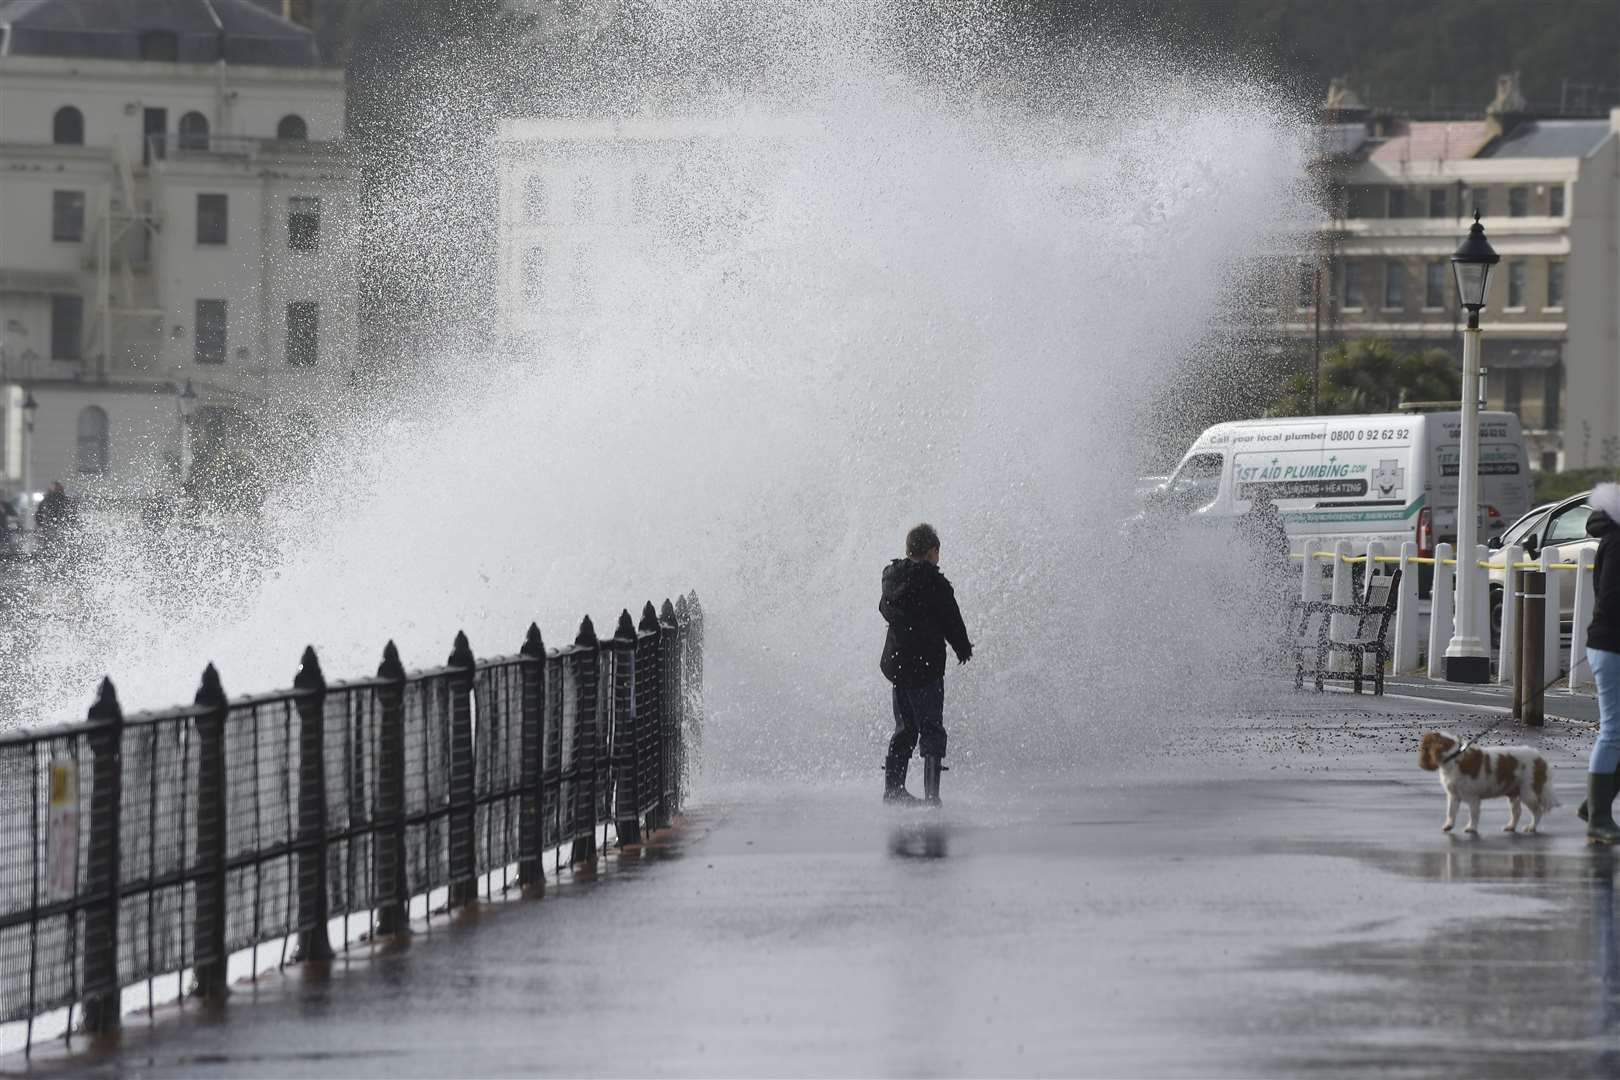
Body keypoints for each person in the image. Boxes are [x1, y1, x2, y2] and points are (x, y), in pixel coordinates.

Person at [879, 523, 973, 806]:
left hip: (898, 665)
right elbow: (951, 621)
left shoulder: (891, 578)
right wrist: (963, 649)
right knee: (931, 728)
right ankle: (932, 798)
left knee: (905, 728)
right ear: (932, 552)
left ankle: (893, 791)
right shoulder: (936, 584)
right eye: (937, 553)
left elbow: (884, 608)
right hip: (927, 668)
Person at [1583, 483, 1620, 844]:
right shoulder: (1618, 543)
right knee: (1612, 732)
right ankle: (1597, 817)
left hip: (1608, 644)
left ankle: (1596, 804)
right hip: (1612, 646)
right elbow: (1611, 599)